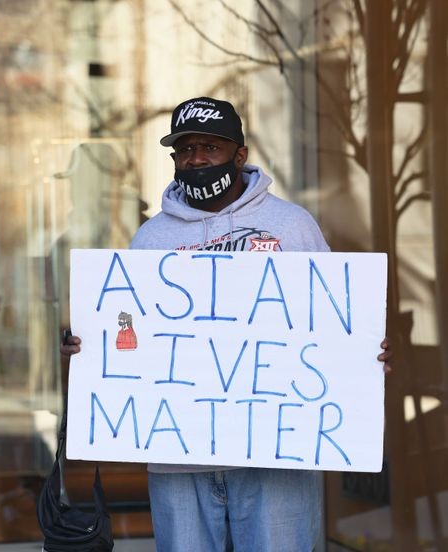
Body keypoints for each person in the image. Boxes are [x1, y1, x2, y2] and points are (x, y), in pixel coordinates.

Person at [60, 97, 392, 551]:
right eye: (185, 149)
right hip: (178, 458)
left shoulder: (292, 227)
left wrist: (363, 354)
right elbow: (130, 325)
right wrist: (92, 348)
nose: (196, 159)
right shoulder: (152, 238)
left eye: (210, 148)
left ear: (240, 154)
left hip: (277, 455)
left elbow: (330, 320)